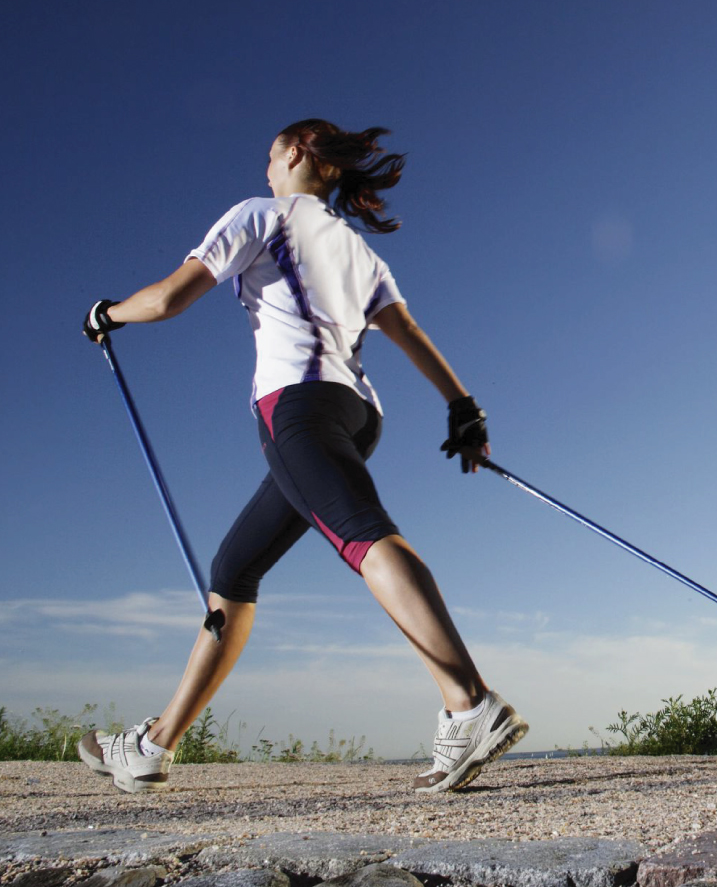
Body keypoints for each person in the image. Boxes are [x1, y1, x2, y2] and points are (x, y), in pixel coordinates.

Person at [77, 119, 527, 794]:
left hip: (298, 407)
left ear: (294, 154)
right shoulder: (355, 249)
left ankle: (469, 702)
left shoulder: (260, 215)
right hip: (357, 413)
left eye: (268, 156)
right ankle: (152, 747)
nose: (264, 169)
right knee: (234, 570)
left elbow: (170, 297)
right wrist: (463, 407)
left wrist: (106, 313)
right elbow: (408, 332)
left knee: (362, 534)